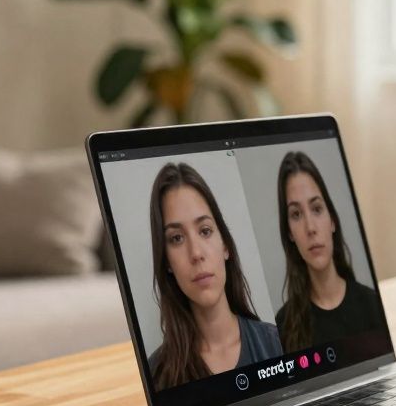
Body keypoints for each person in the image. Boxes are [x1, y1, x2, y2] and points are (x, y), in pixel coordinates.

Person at [147, 162, 281, 389]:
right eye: (177, 238)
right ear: (167, 262)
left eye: (205, 231)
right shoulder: (158, 374)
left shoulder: (277, 343)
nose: (196, 253)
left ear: (225, 246)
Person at [273, 151, 380, 352]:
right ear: (290, 233)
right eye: (296, 214)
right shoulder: (283, 326)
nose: (310, 228)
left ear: (332, 220)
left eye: (316, 209)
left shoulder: (371, 305)